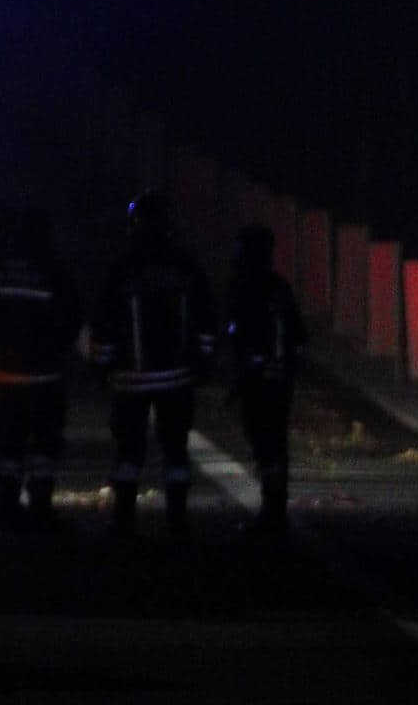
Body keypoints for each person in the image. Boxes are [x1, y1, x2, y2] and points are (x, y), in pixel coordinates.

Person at [88, 191, 219, 534]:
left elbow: (103, 321)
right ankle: (177, 517)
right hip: (176, 377)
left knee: (129, 450)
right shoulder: (185, 266)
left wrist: (101, 366)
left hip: (130, 378)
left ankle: (124, 517)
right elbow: (206, 320)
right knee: (176, 449)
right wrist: (203, 363)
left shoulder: (121, 267)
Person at [0, 206, 80, 527]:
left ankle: (4, 501)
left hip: (4, 373)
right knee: (44, 441)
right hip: (45, 374)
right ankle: (40, 502)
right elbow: (72, 316)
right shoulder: (53, 268)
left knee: (6, 439)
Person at [225, 222, 308, 535]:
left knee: (263, 443)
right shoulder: (280, 287)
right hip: (281, 379)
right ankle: (276, 507)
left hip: (257, 380)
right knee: (276, 442)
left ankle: (272, 511)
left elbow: (239, 336)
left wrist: (244, 371)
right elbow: (299, 336)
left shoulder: (244, 288)